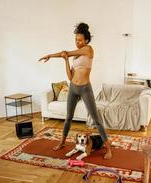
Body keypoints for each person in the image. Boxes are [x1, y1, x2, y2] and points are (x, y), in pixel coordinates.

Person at [39, 22, 112, 159]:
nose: (77, 42)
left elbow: (66, 52)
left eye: (79, 40)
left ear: (86, 40)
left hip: (85, 88)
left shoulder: (89, 50)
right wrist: (66, 60)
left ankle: (108, 149)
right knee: (68, 117)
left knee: (96, 119)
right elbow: (70, 76)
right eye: (76, 40)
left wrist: (52, 55)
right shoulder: (75, 57)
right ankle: (62, 142)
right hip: (73, 87)